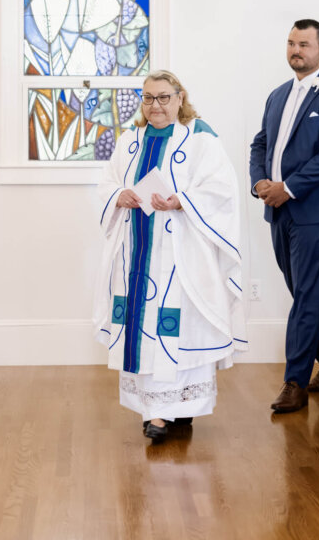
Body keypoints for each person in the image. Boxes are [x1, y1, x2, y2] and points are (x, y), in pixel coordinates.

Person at [94, 69, 246, 442]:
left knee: (176, 326)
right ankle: (157, 412)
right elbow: (107, 181)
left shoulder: (199, 139)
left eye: (163, 97)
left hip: (180, 252)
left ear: (180, 98)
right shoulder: (130, 140)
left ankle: (176, 410)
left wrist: (182, 201)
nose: (155, 106)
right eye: (148, 98)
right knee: (141, 326)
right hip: (136, 250)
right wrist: (119, 195)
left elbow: (222, 188)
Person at [249, 19, 319, 413]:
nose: (296, 50)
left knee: (307, 293)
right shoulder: (278, 94)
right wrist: (260, 182)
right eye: (291, 43)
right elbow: (260, 143)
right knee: (304, 290)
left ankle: (294, 382)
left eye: (304, 44)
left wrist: (288, 187)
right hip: (278, 209)